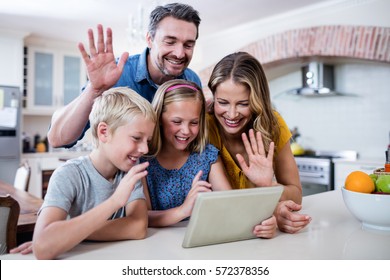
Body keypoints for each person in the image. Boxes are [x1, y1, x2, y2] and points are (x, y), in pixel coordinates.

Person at [11, 87, 160, 259]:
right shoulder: (68, 175)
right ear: (104, 132)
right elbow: (43, 247)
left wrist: (69, 235)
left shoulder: (129, 171)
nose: (145, 148)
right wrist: (114, 202)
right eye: (136, 138)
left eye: (147, 140)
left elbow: (138, 227)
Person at [47, 3, 202, 148]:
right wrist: (93, 90)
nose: (180, 53)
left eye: (188, 45)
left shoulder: (192, 81)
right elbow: (58, 139)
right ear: (149, 39)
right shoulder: (117, 76)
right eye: (170, 42)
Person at [141, 79, 277, 238]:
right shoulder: (144, 160)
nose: (186, 131)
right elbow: (142, 217)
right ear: (159, 119)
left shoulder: (206, 156)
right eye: (177, 121)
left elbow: (231, 206)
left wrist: (264, 219)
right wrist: (182, 211)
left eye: (194, 122)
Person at [207, 52, 311, 233]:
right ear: (213, 97)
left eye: (243, 104)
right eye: (222, 102)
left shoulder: (273, 125)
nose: (231, 114)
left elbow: (296, 195)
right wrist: (272, 208)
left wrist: (268, 186)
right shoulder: (204, 126)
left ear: (258, 101)